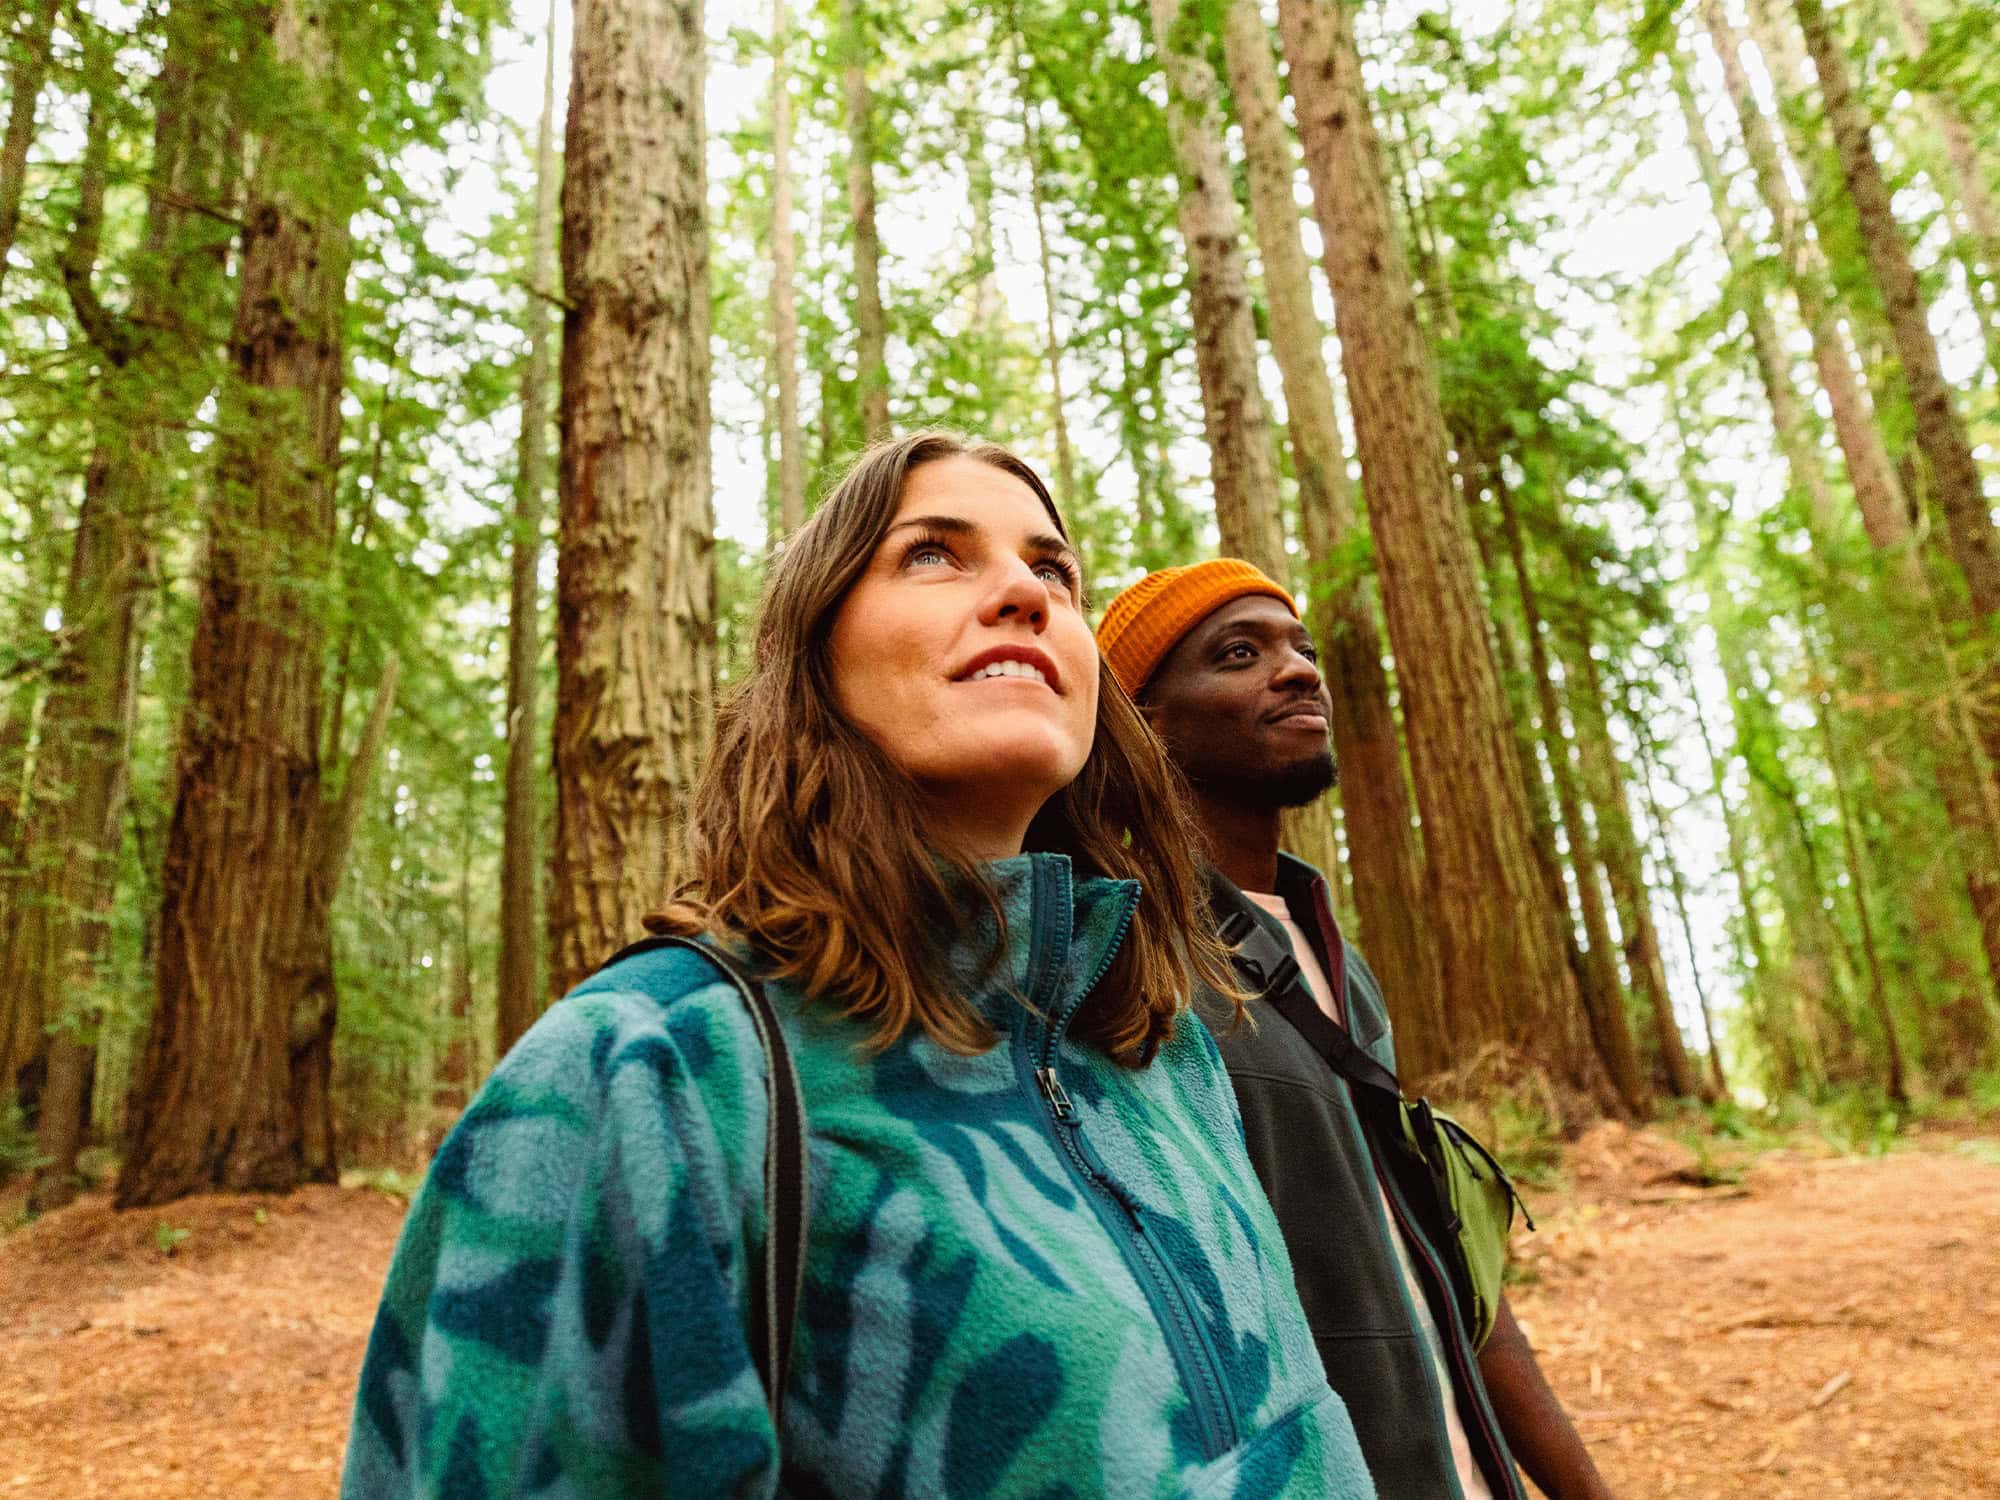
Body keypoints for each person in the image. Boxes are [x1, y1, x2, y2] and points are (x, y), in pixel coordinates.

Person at [341, 438, 1375, 1498]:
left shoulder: (1160, 1046)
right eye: (933, 554)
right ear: (815, 657)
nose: (1021, 590)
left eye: (1051, 569)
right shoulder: (652, 1069)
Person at [1099, 559, 1617, 1500]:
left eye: (1301, 649)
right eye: (1241, 653)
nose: (1298, 671)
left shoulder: (1339, 961)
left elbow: (1453, 1278)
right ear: (1143, 722)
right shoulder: (1131, 957)